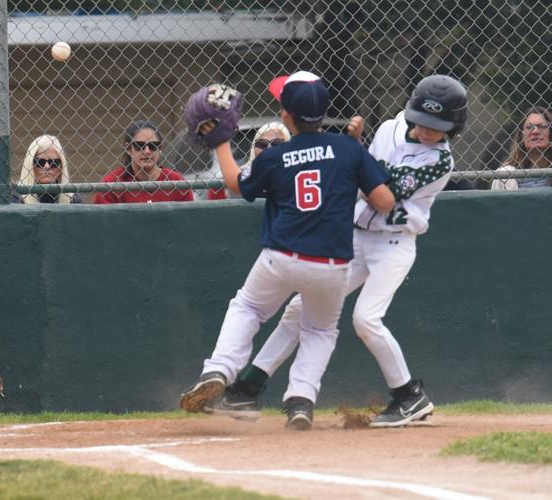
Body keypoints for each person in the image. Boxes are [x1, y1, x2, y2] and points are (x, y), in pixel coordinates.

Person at [210, 74, 468, 428]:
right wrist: (351, 151)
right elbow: (361, 169)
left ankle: (409, 395)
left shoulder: (440, 160)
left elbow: (385, 184)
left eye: (437, 127)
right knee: (298, 309)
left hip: (394, 243)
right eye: (422, 121)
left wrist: (352, 149)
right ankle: (248, 388)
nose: (427, 132)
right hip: (355, 236)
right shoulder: (390, 128)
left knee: (366, 319)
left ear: (453, 127)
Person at [178, 72, 394, 430]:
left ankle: (219, 368)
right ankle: (300, 401)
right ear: (325, 113)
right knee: (319, 331)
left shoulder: (275, 155)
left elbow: (235, 184)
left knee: (247, 306)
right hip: (332, 263)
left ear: (285, 115)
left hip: (282, 257)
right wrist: (361, 166)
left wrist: (221, 141)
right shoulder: (348, 148)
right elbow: (384, 201)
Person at [95, 120, 194, 204]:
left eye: (153, 146)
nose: (147, 151)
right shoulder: (111, 184)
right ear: (129, 149)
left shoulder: (177, 182)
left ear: (160, 148)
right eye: (139, 145)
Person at [207, 121, 291, 200]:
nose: (268, 149)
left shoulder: (295, 172)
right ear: (254, 148)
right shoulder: (241, 175)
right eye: (262, 144)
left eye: (276, 143)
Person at [491, 107, 552, 190]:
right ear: (521, 136)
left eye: (542, 126)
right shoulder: (505, 174)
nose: (535, 131)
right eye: (529, 127)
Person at [13, 135, 82, 204]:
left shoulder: (73, 197)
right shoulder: (15, 196)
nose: (47, 167)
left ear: (61, 167)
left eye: (54, 162)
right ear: (30, 165)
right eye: (40, 162)